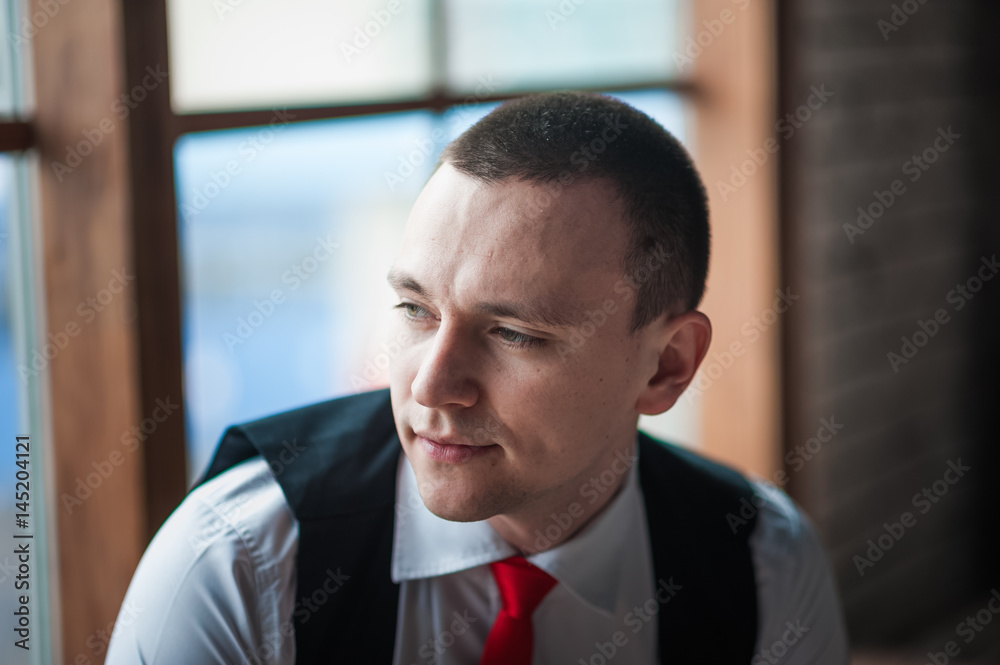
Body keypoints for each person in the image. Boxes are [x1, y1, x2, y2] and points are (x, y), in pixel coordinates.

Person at [105, 91, 848, 664]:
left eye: (514, 333)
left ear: (667, 365)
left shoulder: (761, 563)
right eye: (414, 307)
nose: (429, 386)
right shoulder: (237, 564)